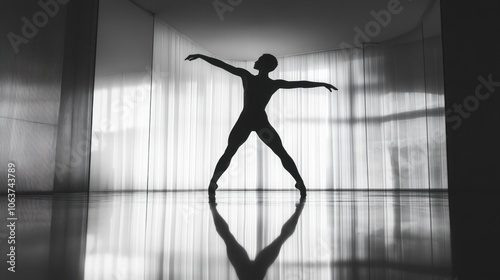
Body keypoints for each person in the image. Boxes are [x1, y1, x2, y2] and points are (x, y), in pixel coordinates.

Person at [185, 53, 337, 197]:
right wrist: (322, 84)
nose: (255, 62)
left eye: (258, 60)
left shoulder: (246, 76)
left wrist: (201, 56)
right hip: (260, 122)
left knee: (229, 152)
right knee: (280, 152)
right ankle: (300, 183)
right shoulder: (273, 84)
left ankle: (213, 183)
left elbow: (223, 65)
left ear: (263, 64)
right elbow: (300, 84)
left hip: (245, 120)